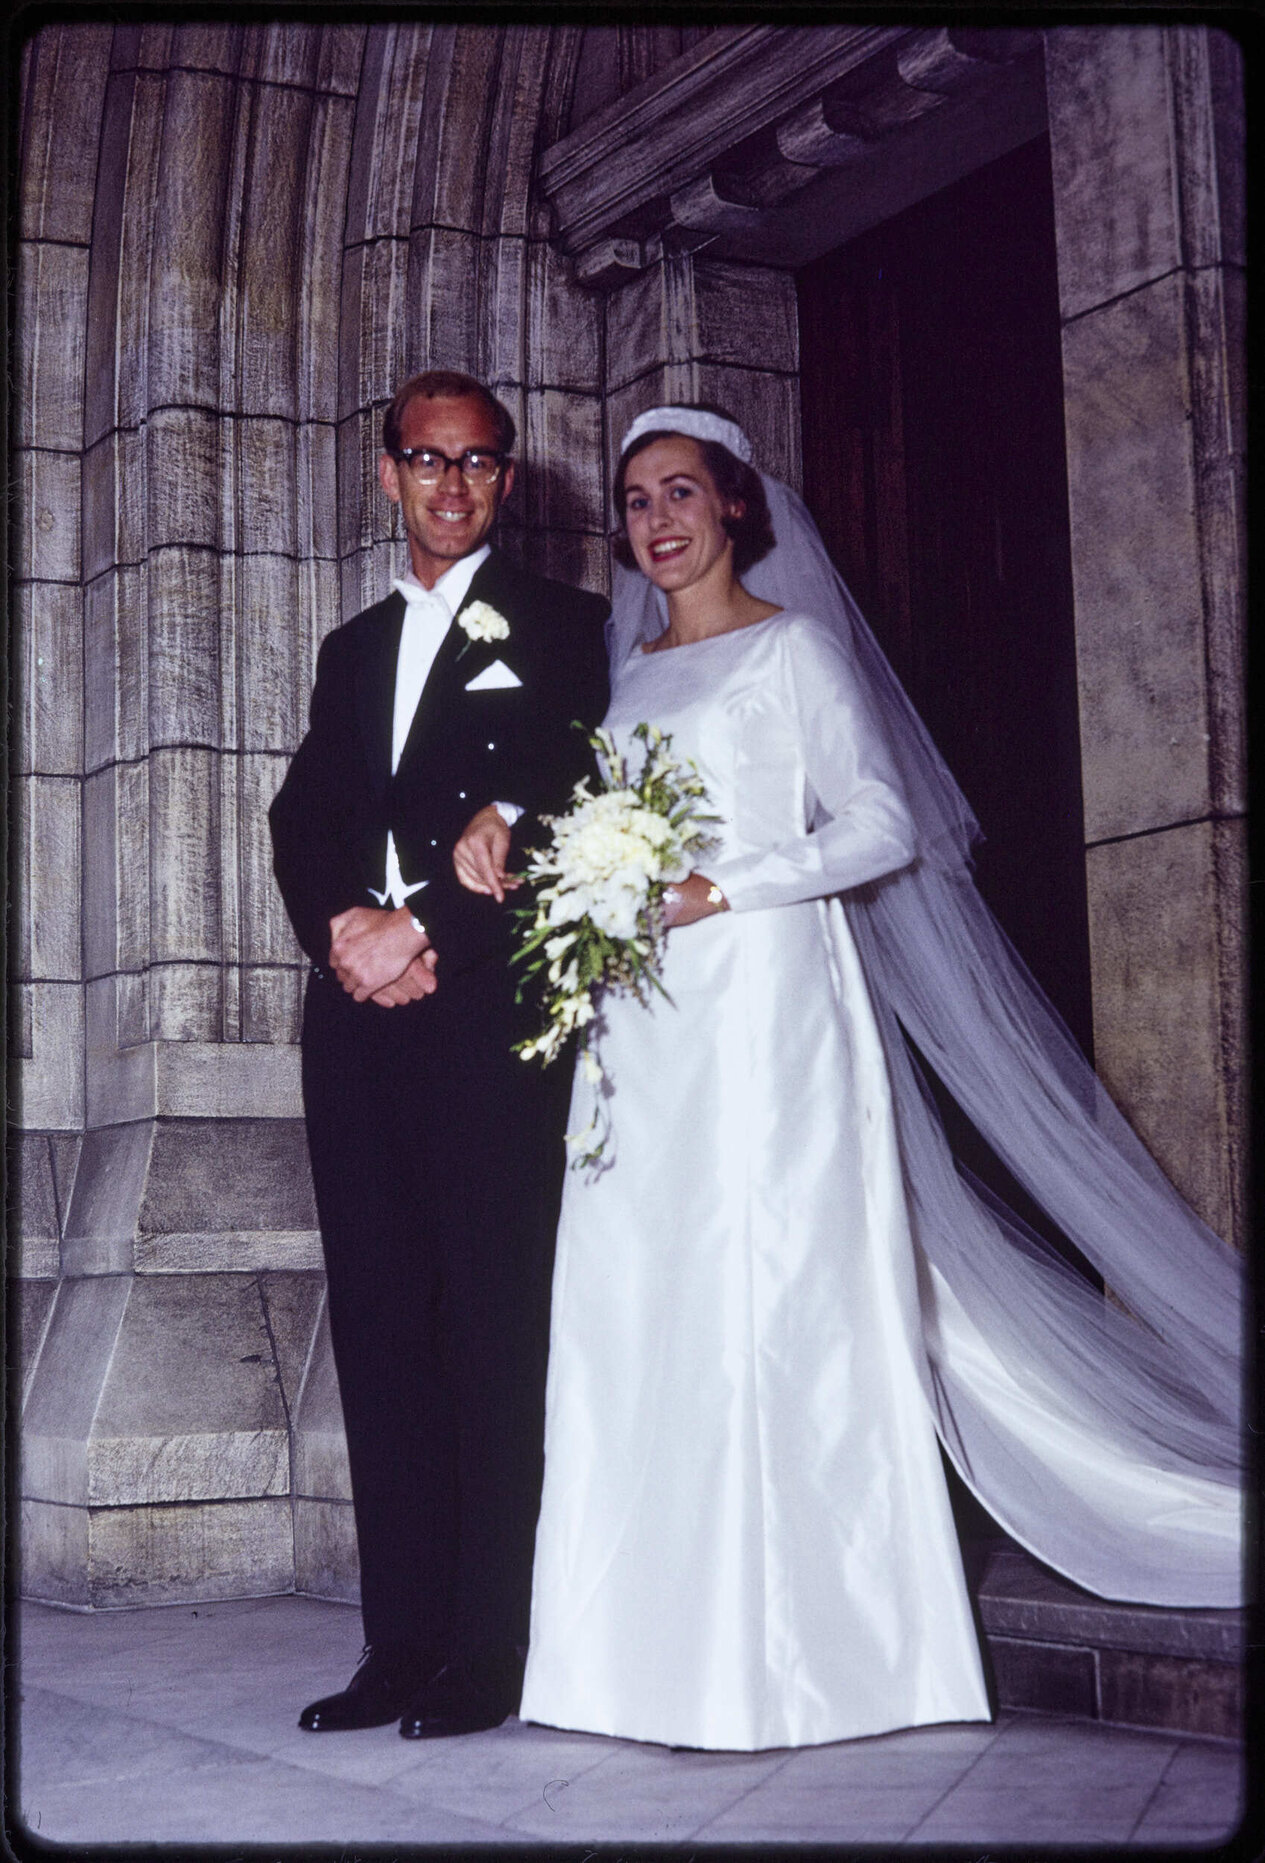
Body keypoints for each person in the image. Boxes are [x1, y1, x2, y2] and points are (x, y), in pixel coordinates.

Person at [456, 406, 1242, 1752]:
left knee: (772, 1295)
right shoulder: (628, 671)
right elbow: (608, 829)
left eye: (682, 492)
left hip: (766, 1003)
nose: (656, 519)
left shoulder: (796, 651)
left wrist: (726, 885)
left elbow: (878, 822)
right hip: (641, 1026)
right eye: (636, 501)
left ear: (738, 510)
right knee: (635, 1300)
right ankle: (628, 1657)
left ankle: (807, 1656)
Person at [269, 369, 609, 1739]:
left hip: (482, 1019)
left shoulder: (571, 624)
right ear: (386, 471)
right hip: (352, 1024)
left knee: (488, 1326)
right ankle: (397, 1645)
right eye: (427, 460)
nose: (451, 485)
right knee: (380, 1328)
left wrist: (426, 945)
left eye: (478, 464)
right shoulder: (351, 647)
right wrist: (342, 927)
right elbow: (305, 815)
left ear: (507, 481)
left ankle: (491, 1649)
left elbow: (581, 789)